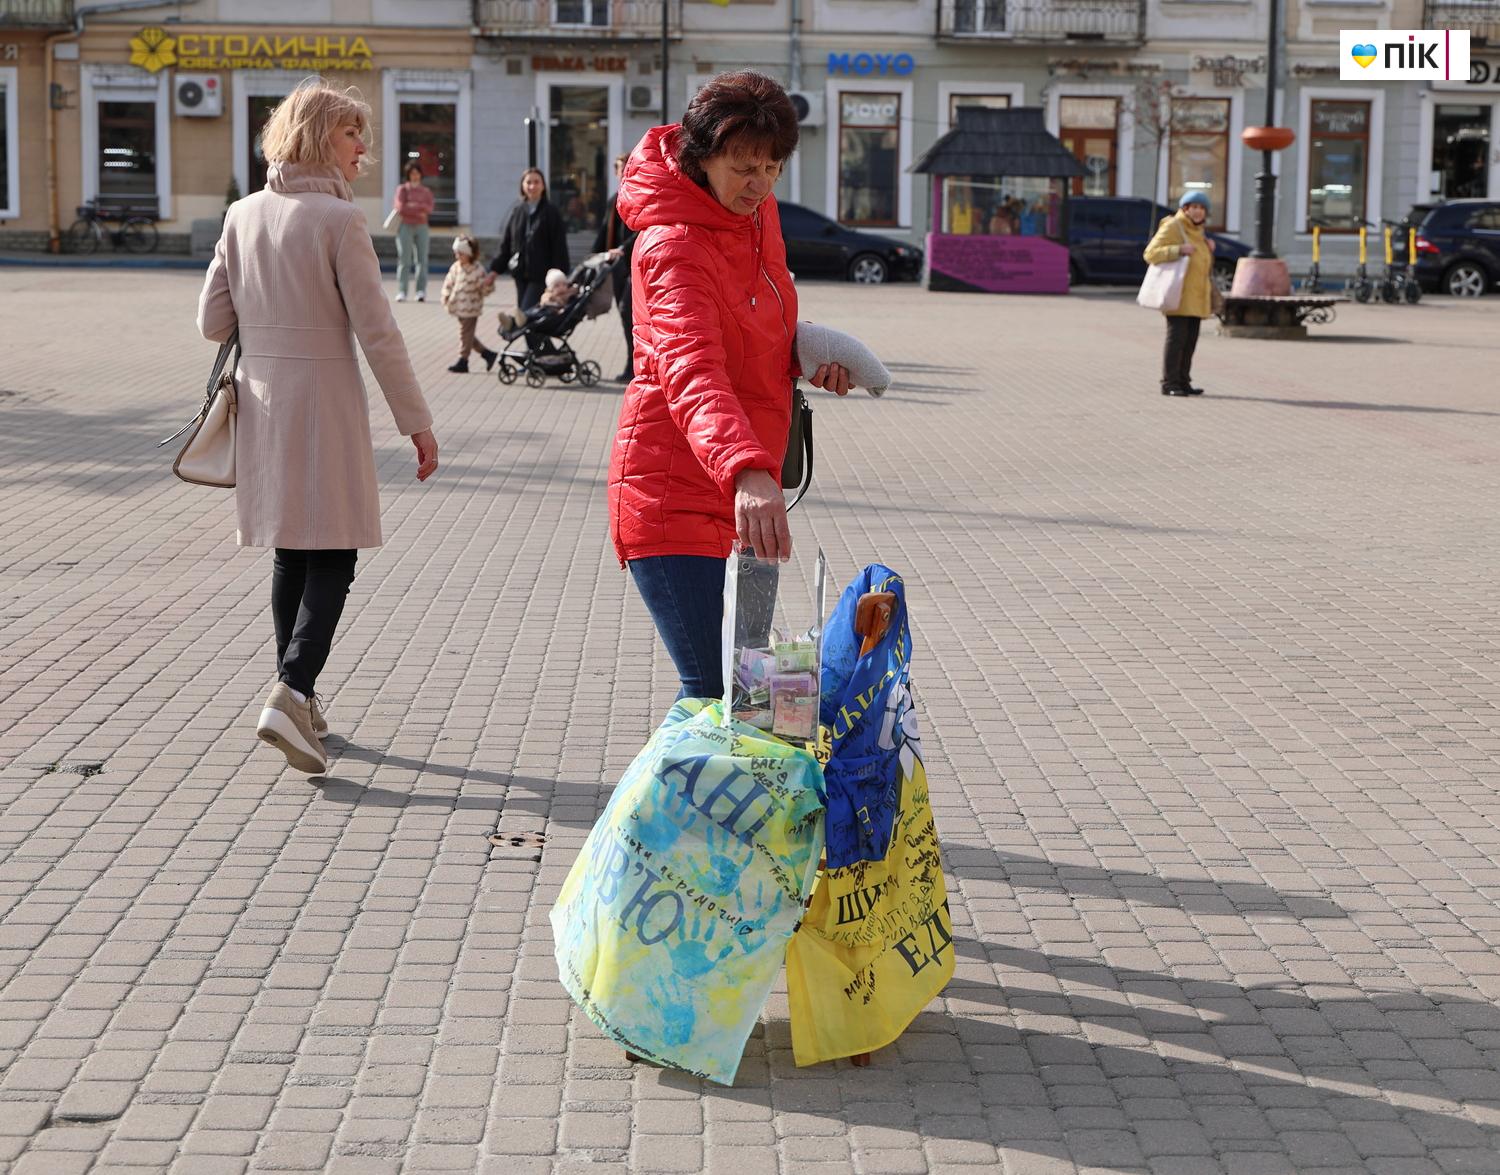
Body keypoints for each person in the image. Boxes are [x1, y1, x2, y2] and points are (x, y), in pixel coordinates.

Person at [196, 80, 440, 775]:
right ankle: (293, 688)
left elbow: (212, 323)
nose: (364, 147)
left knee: (291, 552)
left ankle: (298, 698)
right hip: (324, 404)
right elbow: (379, 332)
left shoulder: (242, 214)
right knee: (334, 549)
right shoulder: (339, 222)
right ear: (315, 138)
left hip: (265, 403)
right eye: (350, 133)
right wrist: (416, 423)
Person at [607, 70, 850, 702]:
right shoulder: (673, 244)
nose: (760, 183)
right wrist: (746, 469)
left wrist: (806, 355)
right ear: (701, 155)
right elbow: (691, 369)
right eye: (744, 166)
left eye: (772, 167)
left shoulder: (758, 217)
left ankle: (707, 803)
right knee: (713, 694)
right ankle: (646, 807)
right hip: (675, 494)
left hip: (742, 498)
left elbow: (756, 325)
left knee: (742, 695)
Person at [1144, 190, 1217, 397]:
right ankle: (1169, 383)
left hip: (1196, 297)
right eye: (1193, 207)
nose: (1197, 212)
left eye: (1202, 208)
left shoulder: (1199, 232)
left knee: (1190, 340)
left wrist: (1207, 248)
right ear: (1185, 208)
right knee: (1176, 340)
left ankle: (1184, 381)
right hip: (1177, 295)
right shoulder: (1173, 226)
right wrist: (1178, 249)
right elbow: (1150, 253)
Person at [489, 168, 569, 312]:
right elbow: (506, 243)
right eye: (528, 182)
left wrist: (559, 274)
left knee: (526, 314)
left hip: (542, 276)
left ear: (543, 186)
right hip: (520, 273)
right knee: (530, 321)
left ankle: (513, 325)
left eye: (536, 182)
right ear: (522, 186)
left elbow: (559, 246)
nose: (532, 186)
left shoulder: (551, 212)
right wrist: (495, 270)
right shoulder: (517, 211)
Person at [592, 153, 639, 382]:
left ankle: (635, 366)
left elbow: (641, 231)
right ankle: (632, 364)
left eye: (628, 165)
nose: (624, 170)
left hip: (634, 265)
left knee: (628, 311)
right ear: (616, 172)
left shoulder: (641, 196)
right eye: (621, 167)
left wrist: (622, 248)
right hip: (618, 267)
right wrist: (594, 255)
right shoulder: (615, 199)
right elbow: (604, 231)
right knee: (625, 317)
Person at [440, 233, 499, 373]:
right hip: (458, 306)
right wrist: (446, 296)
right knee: (468, 335)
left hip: (471, 307)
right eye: (456, 253)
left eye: (461, 254)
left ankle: (463, 360)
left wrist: (487, 285)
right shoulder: (456, 267)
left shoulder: (477, 269)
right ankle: (488, 354)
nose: (458, 257)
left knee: (464, 334)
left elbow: (484, 289)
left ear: (470, 254)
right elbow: (449, 283)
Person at [392, 162, 433, 302]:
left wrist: (412, 207)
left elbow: (429, 209)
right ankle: (402, 291)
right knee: (404, 260)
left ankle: (421, 291)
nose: (415, 175)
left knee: (422, 260)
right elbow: (400, 207)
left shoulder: (426, 191)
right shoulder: (402, 189)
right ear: (408, 174)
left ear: (421, 174)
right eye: (412, 173)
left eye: (417, 172)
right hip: (405, 226)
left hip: (422, 227)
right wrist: (418, 209)